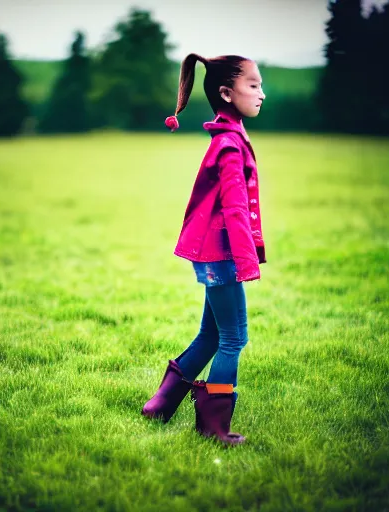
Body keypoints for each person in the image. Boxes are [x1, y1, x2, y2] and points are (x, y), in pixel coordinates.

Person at [141, 53, 267, 446]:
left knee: (211, 336)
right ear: (227, 93)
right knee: (233, 338)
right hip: (223, 254)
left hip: (216, 254)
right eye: (253, 85)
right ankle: (213, 428)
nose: (262, 93)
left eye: (260, 84)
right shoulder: (229, 145)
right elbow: (232, 208)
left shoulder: (230, 138)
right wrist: (246, 262)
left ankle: (160, 405)